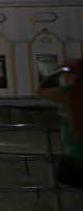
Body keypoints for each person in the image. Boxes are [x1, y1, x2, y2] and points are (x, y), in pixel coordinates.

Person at [38, 58, 83, 187]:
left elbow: (41, 89)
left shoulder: (69, 93)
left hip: (75, 156)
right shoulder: (70, 92)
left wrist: (58, 71)